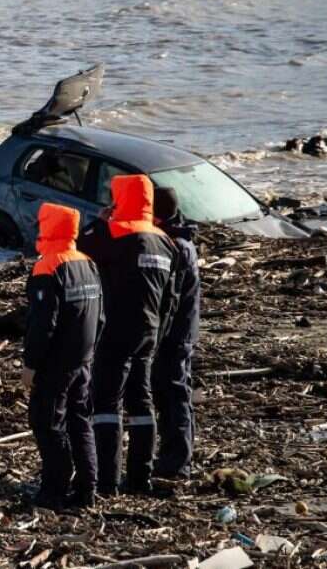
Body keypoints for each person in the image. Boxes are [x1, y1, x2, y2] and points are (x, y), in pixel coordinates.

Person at [77, 174, 177, 496]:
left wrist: (101, 220)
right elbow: (172, 298)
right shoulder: (165, 242)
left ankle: (107, 481)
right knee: (141, 402)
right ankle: (139, 479)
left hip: (115, 328)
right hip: (149, 331)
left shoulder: (114, 231)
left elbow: (79, 248)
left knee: (106, 403)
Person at [22, 203, 105, 510]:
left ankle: (55, 489)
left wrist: (31, 364)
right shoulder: (87, 263)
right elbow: (100, 317)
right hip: (83, 359)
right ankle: (87, 488)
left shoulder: (48, 266)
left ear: (49, 227)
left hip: (56, 363)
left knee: (47, 422)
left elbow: (43, 324)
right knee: (80, 421)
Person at [151, 187, 200, 479]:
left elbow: (169, 298)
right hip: (181, 329)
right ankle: (177, 457)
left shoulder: (176, 246)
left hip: (176, 332)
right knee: (175, 391)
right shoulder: (182, 240)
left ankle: (177, 461)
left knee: (173, 393)